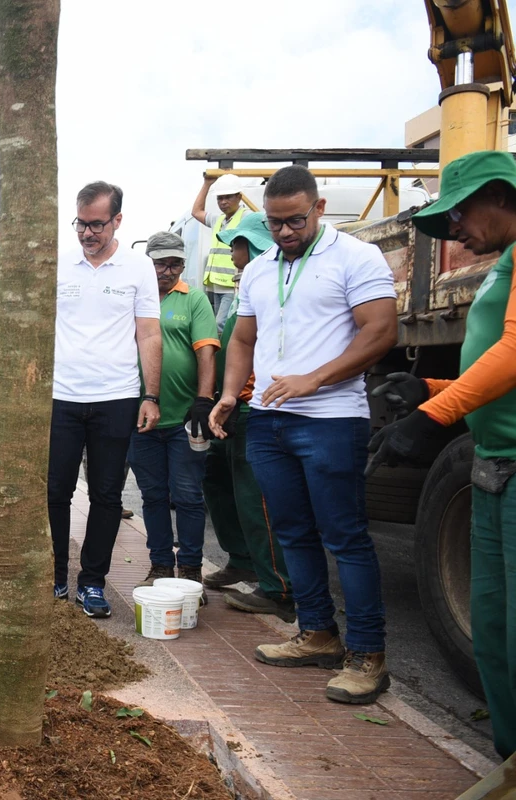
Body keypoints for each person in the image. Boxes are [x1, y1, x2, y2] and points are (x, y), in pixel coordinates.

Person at [209, 165, 397, 704]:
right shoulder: (259, 268)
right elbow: (242, 337)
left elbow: (381, 330)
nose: (285, 232)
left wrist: (313, 379)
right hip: (267, 418)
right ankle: (317, 634)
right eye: (274, 223)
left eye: (295, 220)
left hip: (332, 418)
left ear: (318, 208)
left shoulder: (356, 257)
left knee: (345, 536)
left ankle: (367, 655)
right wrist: (230, 393)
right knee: (291, 531)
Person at [367, 149, 516, 757]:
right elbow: (491, 366)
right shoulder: (505, 260)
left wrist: (435, 416)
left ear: (503, 196)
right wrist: (427, 387)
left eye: (461, 211)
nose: (453, 228)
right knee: (494, 635)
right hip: (491, 471)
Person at [50, 180, 162, 618]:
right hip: (61, 397)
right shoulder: (60, 264)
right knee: (54, 492)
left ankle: (92, 583)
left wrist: (149, 395)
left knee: (107, 495)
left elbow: (149, 333)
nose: (87, 233)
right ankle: (56, 576)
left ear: (118, 220)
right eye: (80, 223)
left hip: (116, 398)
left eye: (97, 224)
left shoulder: (138, 268)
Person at [200, 212, 294, 621]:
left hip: (252, 407)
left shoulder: (268, 286)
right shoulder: (244, 287)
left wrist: (238, 397)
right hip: (229, 404)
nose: (231, 250)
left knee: (255, 496)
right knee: (217, 482)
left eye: (237, 243)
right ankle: (240, 558)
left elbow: (255, 348)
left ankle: (277, 585)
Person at [128, 232, 218, 589]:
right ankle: (161, 566)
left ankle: (192, 570)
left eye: (175, 264)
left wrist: (203, 401)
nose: (167, 271)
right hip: (140, 418)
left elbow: (206, 351)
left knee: (188, 496)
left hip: (184, 420)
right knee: (153, 495)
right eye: (160, 263)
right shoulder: (136, 297)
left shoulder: (193, 299)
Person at [192, 173, 247, 334]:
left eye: (228, 197)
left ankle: (224, 358)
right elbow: (196, 212)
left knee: (221, 326)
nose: (223, 202)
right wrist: (207, 184)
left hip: (232, 285)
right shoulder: (219, 220)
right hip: (216, 284)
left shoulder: (247, 218)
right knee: (217, 326)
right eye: (219, 198)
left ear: (239, 197)